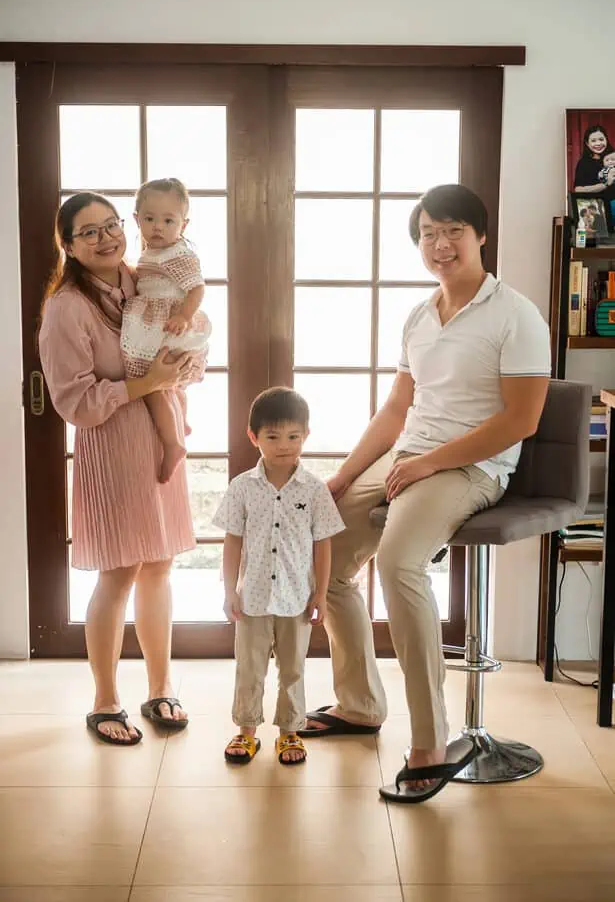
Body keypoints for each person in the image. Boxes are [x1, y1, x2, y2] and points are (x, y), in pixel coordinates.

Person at [297, 184, 551, 803]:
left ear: (481, 236)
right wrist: (342, 475)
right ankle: (360, 704)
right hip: (408, 453)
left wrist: (424, 464)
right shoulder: (418, 315)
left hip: (472, 466)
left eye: (452, 232)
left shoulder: (516, 313)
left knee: (398, 563)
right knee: (325, 547)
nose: (439, 245)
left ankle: (431, 743)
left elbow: (520, 421)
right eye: (427, 234)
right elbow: (395, 409)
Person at [39, 192, 196, 745]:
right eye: (90, 233)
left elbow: (171, 353)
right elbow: (73, 401)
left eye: (111, 226)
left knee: (160, 565)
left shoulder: (142, 281)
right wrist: (147, 385)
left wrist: (178, 375)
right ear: (69, 246)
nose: (107, 238)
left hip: (160, 437)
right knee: (120, 571)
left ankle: (161, 686)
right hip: (113, 445)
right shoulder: (67, 308)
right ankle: (105, 699)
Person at [213, 387, 345, 765]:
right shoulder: (242, 487)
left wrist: (319, 594)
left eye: (293, 436)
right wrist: (229, 591)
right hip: (252, 597)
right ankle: (246, 731)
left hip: (296, 598)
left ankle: (290, 732)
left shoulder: (316, 491)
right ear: (254, 437)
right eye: (273, 436)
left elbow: (323, 545)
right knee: (249, 667)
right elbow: (232, 542)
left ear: (306, 435)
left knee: (293, 668)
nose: (284, 445)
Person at [120, 177, 212, 484]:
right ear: (136, 220)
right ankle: (180, 423)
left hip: (170, 326)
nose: (157, 227)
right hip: (159, 324)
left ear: (183, 225)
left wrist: (184, 316)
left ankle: (173, 444)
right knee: (168, 383)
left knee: (151, 384)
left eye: (168, 220)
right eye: (149, 219)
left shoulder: (179, 254)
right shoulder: (153, 253)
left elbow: (197, 289)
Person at [574, 125, 615, 196]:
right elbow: (578, 189)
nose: (598, 143)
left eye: (601, 139)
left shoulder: (613, 156)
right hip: (598, 204)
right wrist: (605, 185)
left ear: (606, 139)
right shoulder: (584, 163)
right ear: (587, 143)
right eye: (593, 141)